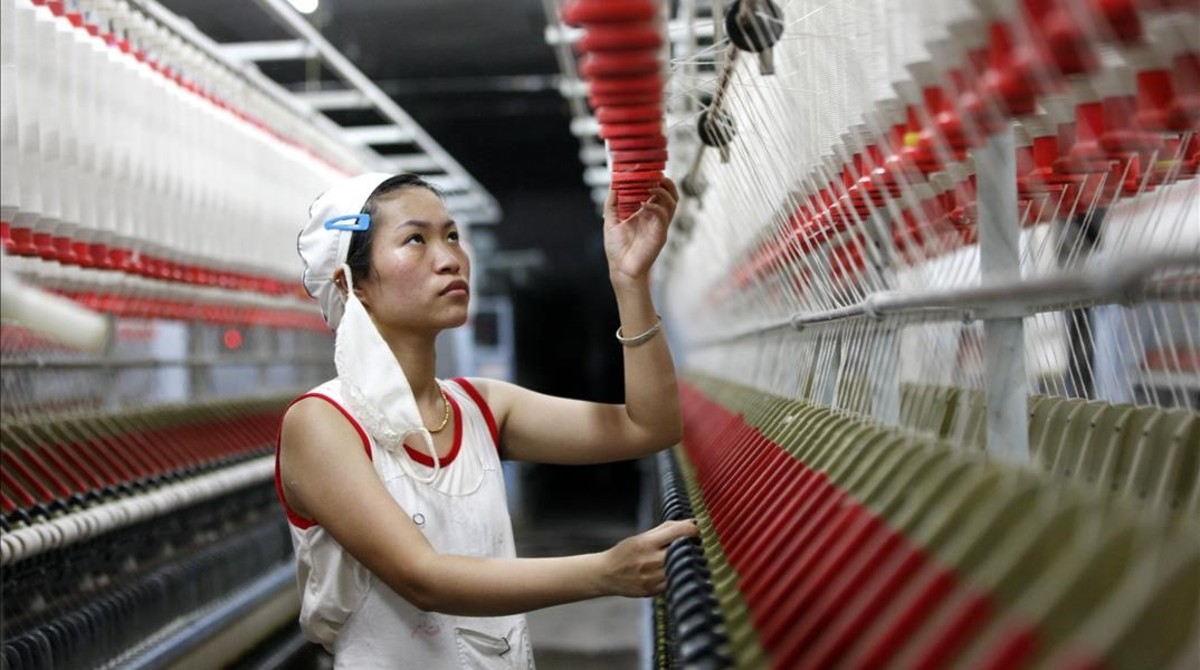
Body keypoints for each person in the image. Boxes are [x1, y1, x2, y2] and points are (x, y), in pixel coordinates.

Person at [276, 171, 696, 668]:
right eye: (416, 239)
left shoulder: (482, 407)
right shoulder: (322, 423)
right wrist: (606, 572)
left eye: (452, 235)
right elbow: (423, 577)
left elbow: (650, 427)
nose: (450, 258)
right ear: (353, 282)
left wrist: (631, 281)